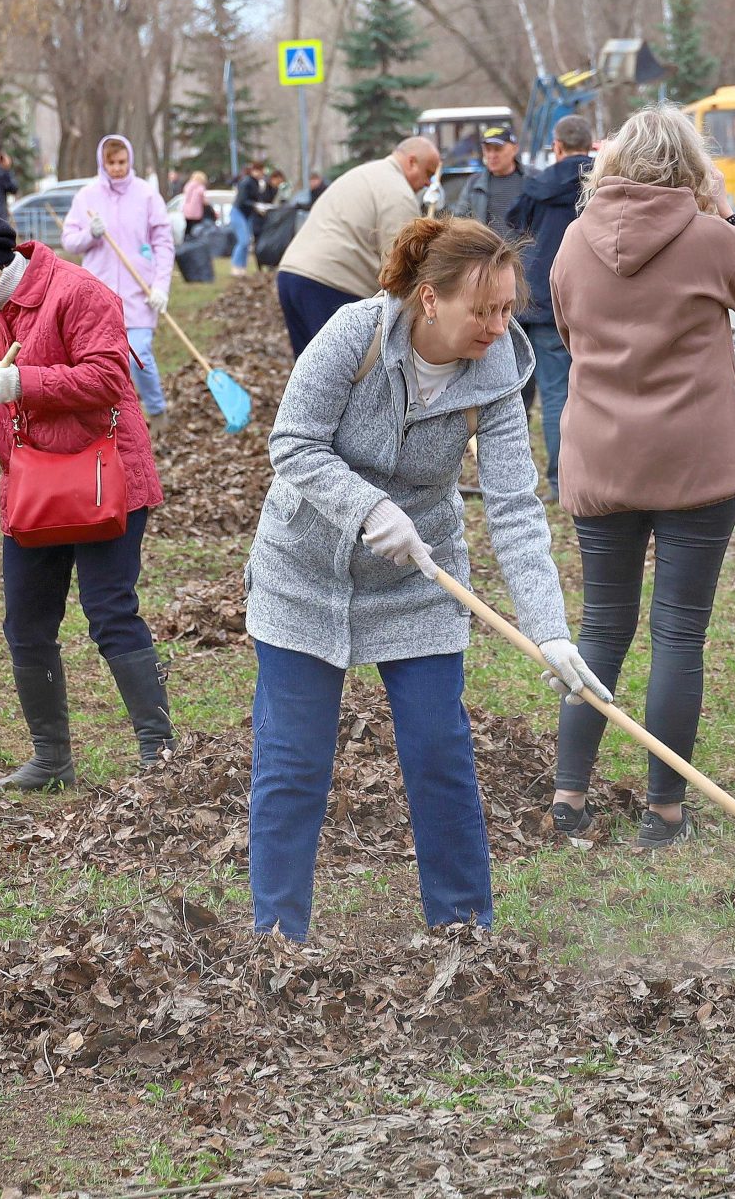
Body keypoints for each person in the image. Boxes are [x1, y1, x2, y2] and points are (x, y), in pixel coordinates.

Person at [244, 217, 602, 939]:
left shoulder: (501, 371)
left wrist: (551, 631)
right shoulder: (357, 333)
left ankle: (466, 931)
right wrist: (367, 505)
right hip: (303, 569)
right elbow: (293, 443)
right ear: (430, 299)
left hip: (419, 576)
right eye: (483, 310)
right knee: (293, 762)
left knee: (439, 750)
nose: (499, 326)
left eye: (507, 308)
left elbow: (514, 508)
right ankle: (277, 941)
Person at [546, 105, 735, 846]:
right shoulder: (709, 236)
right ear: (691, 167)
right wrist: (726, 214)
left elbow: (566, 328)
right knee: (678, 634)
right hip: (695, 462)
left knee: (602, 628)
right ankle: (663, 811)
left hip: (601, 457)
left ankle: (568, 795)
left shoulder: (572, 240)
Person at [0, 211, 169, 788]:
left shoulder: (79, 293)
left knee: (111, 613)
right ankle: (51, 760)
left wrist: (25, 383)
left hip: (105, 477)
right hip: (34, 488)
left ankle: (158, 755)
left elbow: (109, 377)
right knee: (26, 623)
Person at [275, 136, 441, 356]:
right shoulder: (398, 194)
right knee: (336, 373)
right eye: (428, 174)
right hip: (331, 285)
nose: (429, 183)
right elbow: (401, 266)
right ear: (412, 162)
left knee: (307, 372)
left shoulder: (366, 174)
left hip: (291, 274)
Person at [503, 119, 592, 501]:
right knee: (591, 392)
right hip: (589, 298)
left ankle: (559, 482)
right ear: (589, 146)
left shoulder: (536, 186)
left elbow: (514, 222)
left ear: (556, 146)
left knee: (553, 394)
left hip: (540, 299)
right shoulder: (601, 183)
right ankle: (583, 478)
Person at [60, 135, 174, 422]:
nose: (117, 168)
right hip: (99, 294)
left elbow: (163, 242)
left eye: (122, 162)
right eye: (111, 163)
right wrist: (91, 234)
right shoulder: (87, 196)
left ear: (130, 160)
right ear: (102, 162)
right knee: (106, 360)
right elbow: (69, 241)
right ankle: (120, 417)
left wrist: (161, 286)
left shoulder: (147, 195)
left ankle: (157, 411)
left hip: (140, 290)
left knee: (140, 355)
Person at [230, 162, 270, 274]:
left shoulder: (256, 183)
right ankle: (236, 265)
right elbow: (243, 200)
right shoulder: (247, 182)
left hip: (247, 214)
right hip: (238, 212)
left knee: (247, 242)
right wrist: (255, 205)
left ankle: (242, 267)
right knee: (243, 241)